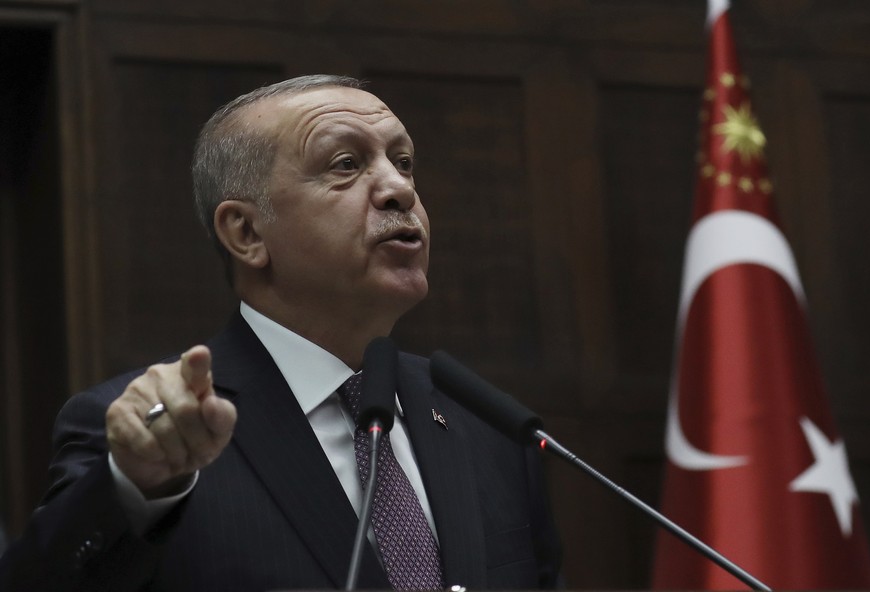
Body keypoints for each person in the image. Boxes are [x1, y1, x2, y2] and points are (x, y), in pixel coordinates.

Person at [0, 74, 562, 591]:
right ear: (246, 232)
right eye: (345, 163)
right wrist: (133, 485)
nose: (400, 189)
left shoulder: (488, 428)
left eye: (405, 162)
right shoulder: (160, 435)